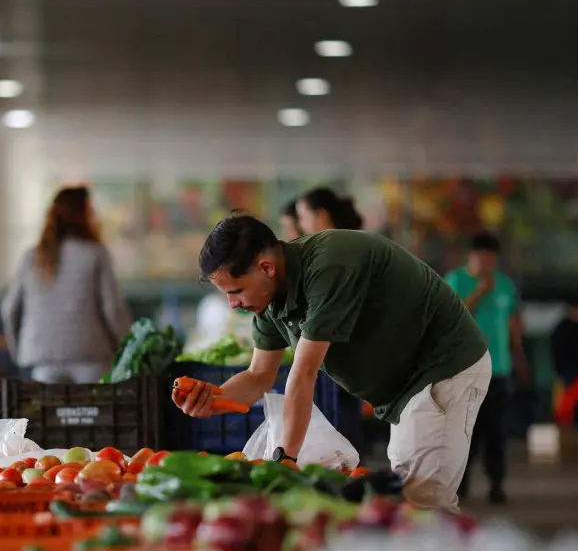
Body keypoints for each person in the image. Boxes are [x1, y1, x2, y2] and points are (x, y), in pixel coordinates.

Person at [180, 215, 490, 513]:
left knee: (426, 503)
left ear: (266, 267)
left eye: (235, 292)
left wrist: (284, 459)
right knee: (407, 500)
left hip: (443, 369)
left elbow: (304, 373)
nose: (232, 304)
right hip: (406, 392)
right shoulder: (270, 300)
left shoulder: (330, 266)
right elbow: (259, 376)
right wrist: (213, 398)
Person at [1, 186, 132, 384]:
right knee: (93, 414)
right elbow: (113, 309)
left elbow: (9, 309)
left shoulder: (32, 257)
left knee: (49, 414)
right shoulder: (95, 254)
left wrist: (19, 351)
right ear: (84, 214)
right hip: (90, 355)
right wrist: (128, 348)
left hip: (43, 359)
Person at [444, 233, 530, 505]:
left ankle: (497, 484)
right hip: (465, 368)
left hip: (499, 369)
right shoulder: (456, 280)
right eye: (482, 257)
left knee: (496, 430)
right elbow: (453, 317)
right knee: (465, 430)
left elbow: (513, 321)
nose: (487, 262)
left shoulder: (504, 285)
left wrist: (520, 356)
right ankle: (461, 484)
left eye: (492, 258)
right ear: (471, 256)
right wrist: (479, 291)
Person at [293, 187, 367, 455]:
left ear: (321, 216)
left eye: (303, 216)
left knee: (343, 419)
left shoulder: (335, 254)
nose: (300, 225)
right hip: (346, 347)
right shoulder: (344, 246)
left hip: (344, 347)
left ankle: (348, 475)